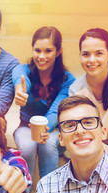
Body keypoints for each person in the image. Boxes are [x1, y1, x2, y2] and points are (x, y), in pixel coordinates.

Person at [12, 26, 76, 179]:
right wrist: (20, 90)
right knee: (28, 146)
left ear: (58, 52)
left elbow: (56, 110)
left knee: (47, 144)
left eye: (48, 51)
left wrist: (44, 128)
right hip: (25, 128)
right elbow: (21, 80)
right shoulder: (23, 70)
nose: (41, 56)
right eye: (37, 50)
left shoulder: (68, 80)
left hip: (54, 130)